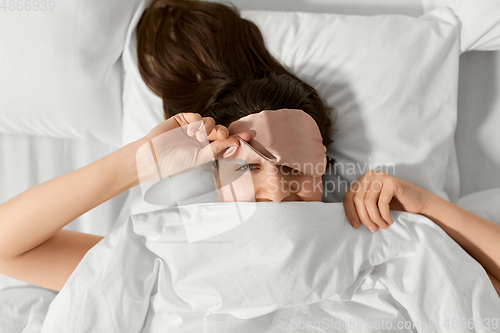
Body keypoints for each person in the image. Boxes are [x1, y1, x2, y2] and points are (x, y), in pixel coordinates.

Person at [0, 0, 498, 299]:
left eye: (293, 170)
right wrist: (137, 165)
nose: (274, 188)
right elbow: (7, 248)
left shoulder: (380, 239)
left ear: (323, 170)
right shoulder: (169, 257)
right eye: (250, 170)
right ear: (215, 179)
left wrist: (425, 204)